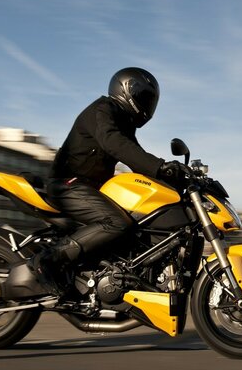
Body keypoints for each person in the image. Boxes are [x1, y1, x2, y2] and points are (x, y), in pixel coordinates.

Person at [30, 67, 186, 295]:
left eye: (149, 100)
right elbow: (114, 143)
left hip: (89, 190)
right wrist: (160, 166)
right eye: (143, 98)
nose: (147, 105)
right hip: (68, 185)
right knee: (117, 224)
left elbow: (135, 157)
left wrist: (173, 181)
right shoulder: (103, 109)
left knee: (136, 225)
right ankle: (49, 260)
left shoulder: (123, 123)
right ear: (126, 90)